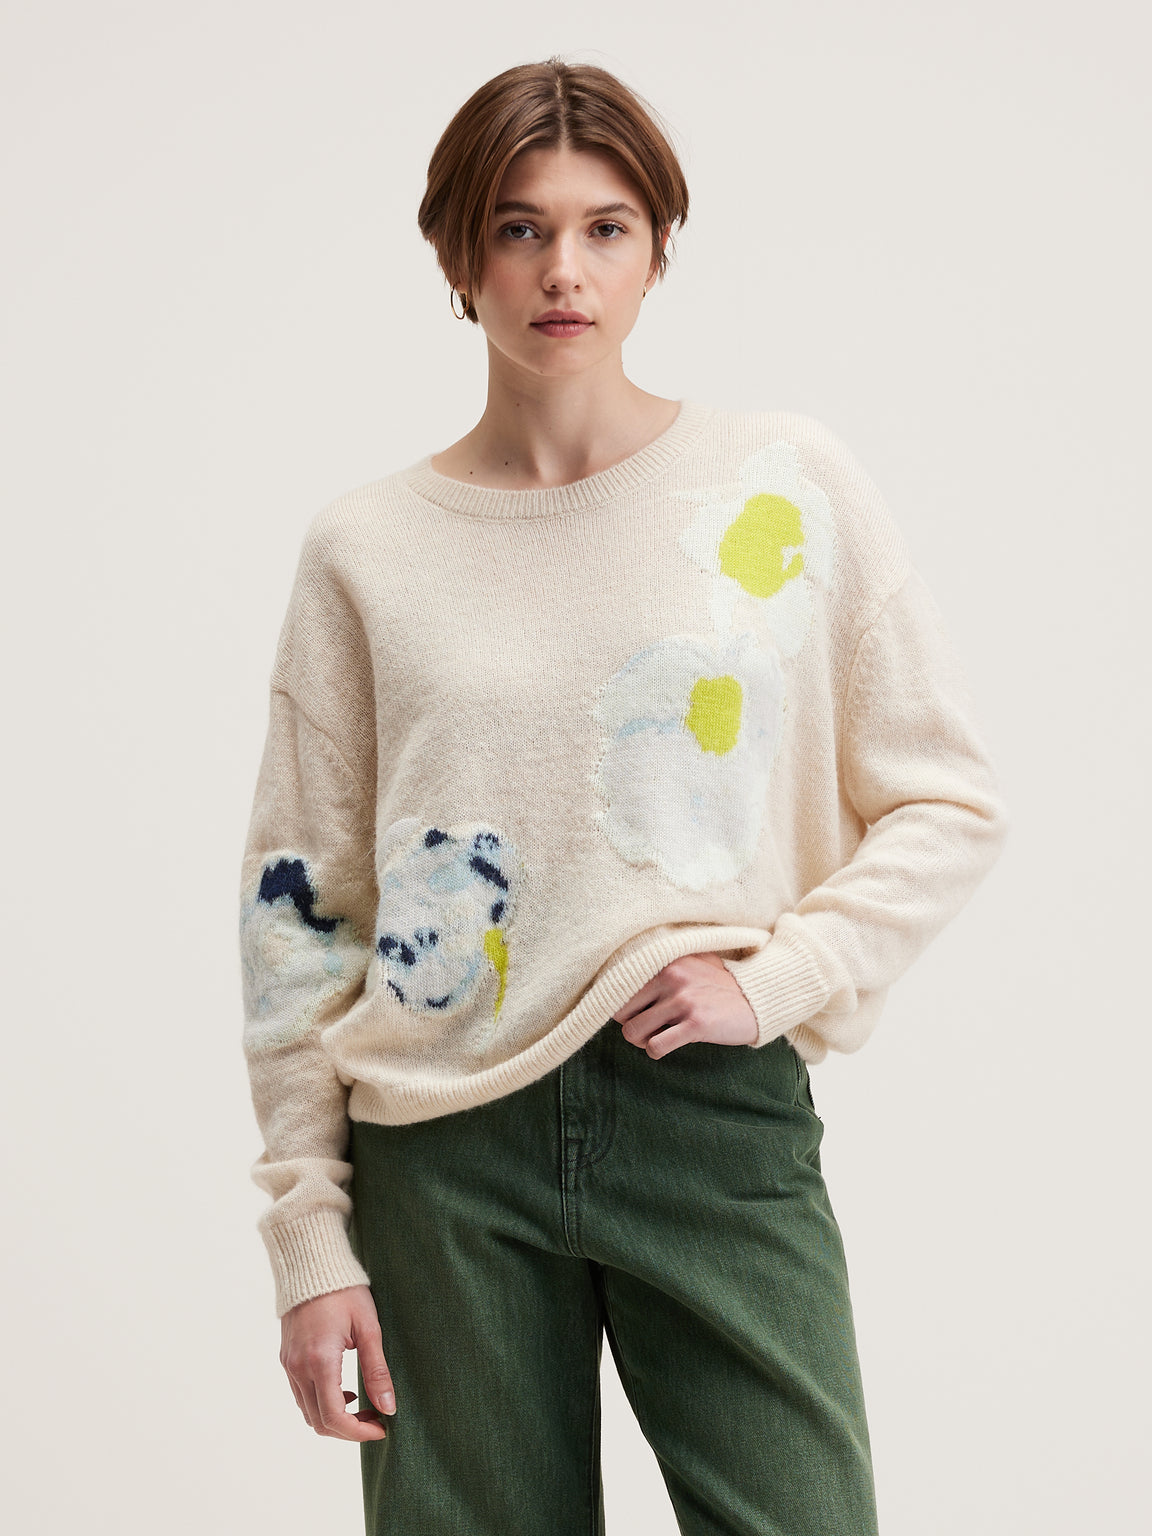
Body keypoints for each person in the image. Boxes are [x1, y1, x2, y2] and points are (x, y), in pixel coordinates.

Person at [238, 56, 1009, 1535]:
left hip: (707, 1111)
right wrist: (310, 1238)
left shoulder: (781, 487)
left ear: (658, 250)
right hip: (441, 1144)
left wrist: (783, 976)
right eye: (519, 228)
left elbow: (948, 798)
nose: (563, 271)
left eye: (606, 228)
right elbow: (302, 913)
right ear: (457, 257)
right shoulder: (367, 548)